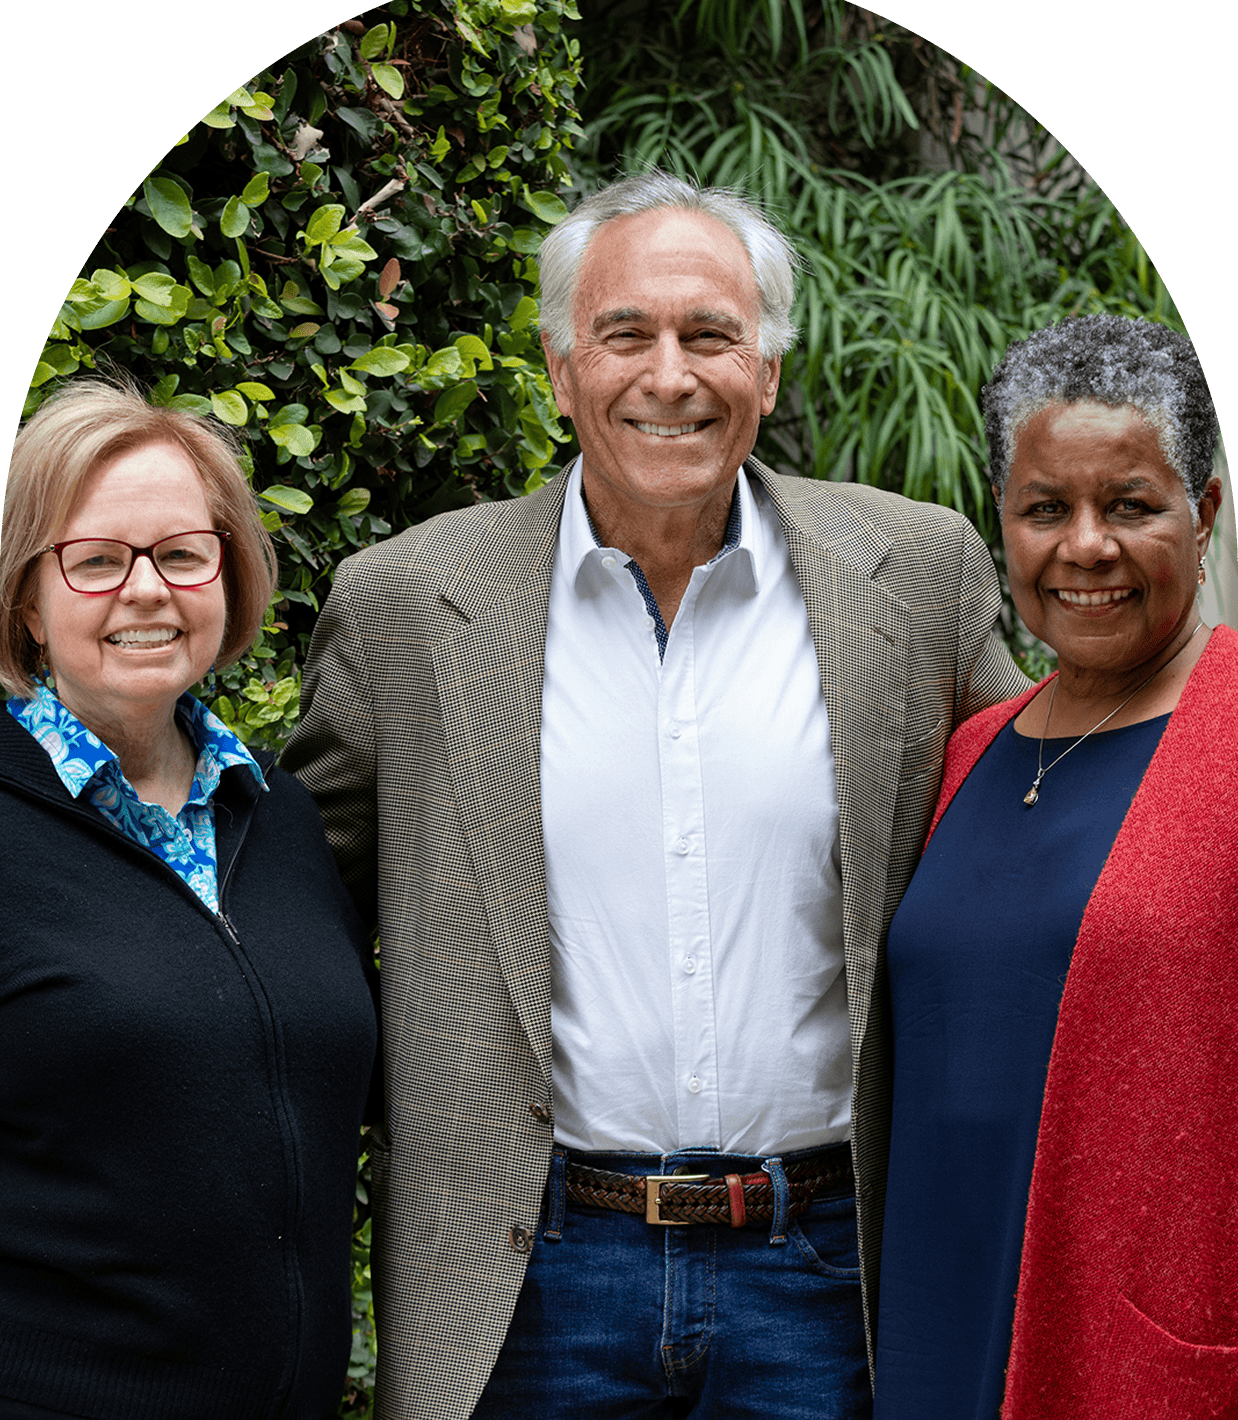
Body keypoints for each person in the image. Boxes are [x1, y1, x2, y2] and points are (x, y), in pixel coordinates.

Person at [283, 169, 1028, 1420]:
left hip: (825, 1277)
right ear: (559, 367)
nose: (668, 376)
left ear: (767, 371)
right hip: (528, 1284)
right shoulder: (406, 604)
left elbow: (1030, 838)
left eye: (710, 335)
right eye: (624, 334)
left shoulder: (913, 576)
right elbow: (290, 926)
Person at [873, 314, 1237, 1420]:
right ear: (1003, 519)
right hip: (936, 1317)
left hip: (1139, 1355)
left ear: (1204, 512)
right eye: (1044, 510)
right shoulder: (969, 753)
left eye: (1129, 505)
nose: (1084, 547)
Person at [0, 379, 378, 1420]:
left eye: (180, 554)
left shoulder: (282, 817)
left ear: (229, 574)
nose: (146, 591)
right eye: (95, 560)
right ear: (26, 600)